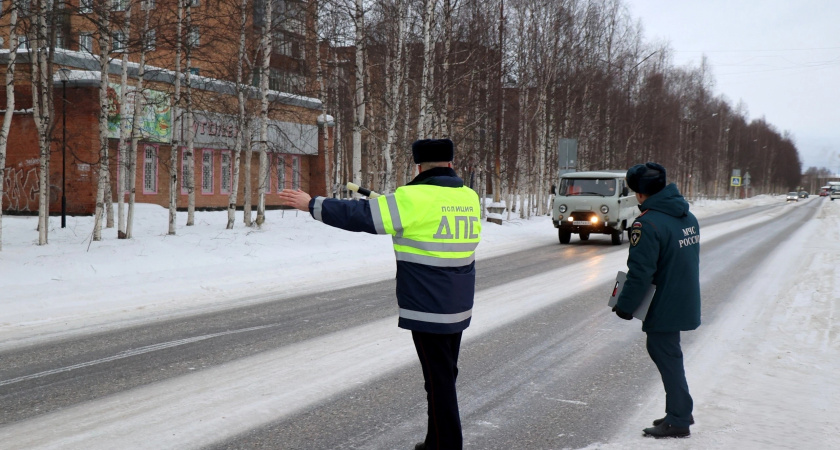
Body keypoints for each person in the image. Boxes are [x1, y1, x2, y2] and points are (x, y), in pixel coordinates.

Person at [278, 138, 481, 450]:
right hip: (458, 304)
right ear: (450, 163)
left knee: (438, 382)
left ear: (418, 166)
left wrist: (313, 204)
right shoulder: (468, 197)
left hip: (428, 307)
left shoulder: (412, 198)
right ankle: (437, 441)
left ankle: (445, 445)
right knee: (444, 376)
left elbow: (361, 215)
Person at [612, 162, 701, 439]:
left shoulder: (646, 223)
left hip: (662, 303)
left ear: (639, 193)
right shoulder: (687, 217)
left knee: (667, 356)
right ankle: (678, 411)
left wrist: (624, 306)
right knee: (669, 354)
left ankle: (679, 419)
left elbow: (641, 273)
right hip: (683, 297)